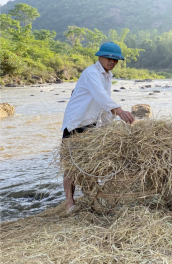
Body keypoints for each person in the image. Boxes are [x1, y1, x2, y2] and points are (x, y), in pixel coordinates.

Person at [61, 42, 135, 213]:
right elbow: (100, 96)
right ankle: (69, 203)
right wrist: (118, 110)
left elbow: (103, 103)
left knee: (89, 163)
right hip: (75, 123)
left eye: (116, 60)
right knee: (70, 165)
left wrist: (108, 129)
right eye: (109, 58)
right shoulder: (91, 73)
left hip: (91, 124)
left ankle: (90, 196)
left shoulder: (108, 76)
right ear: (100, 57)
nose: (112, 62)